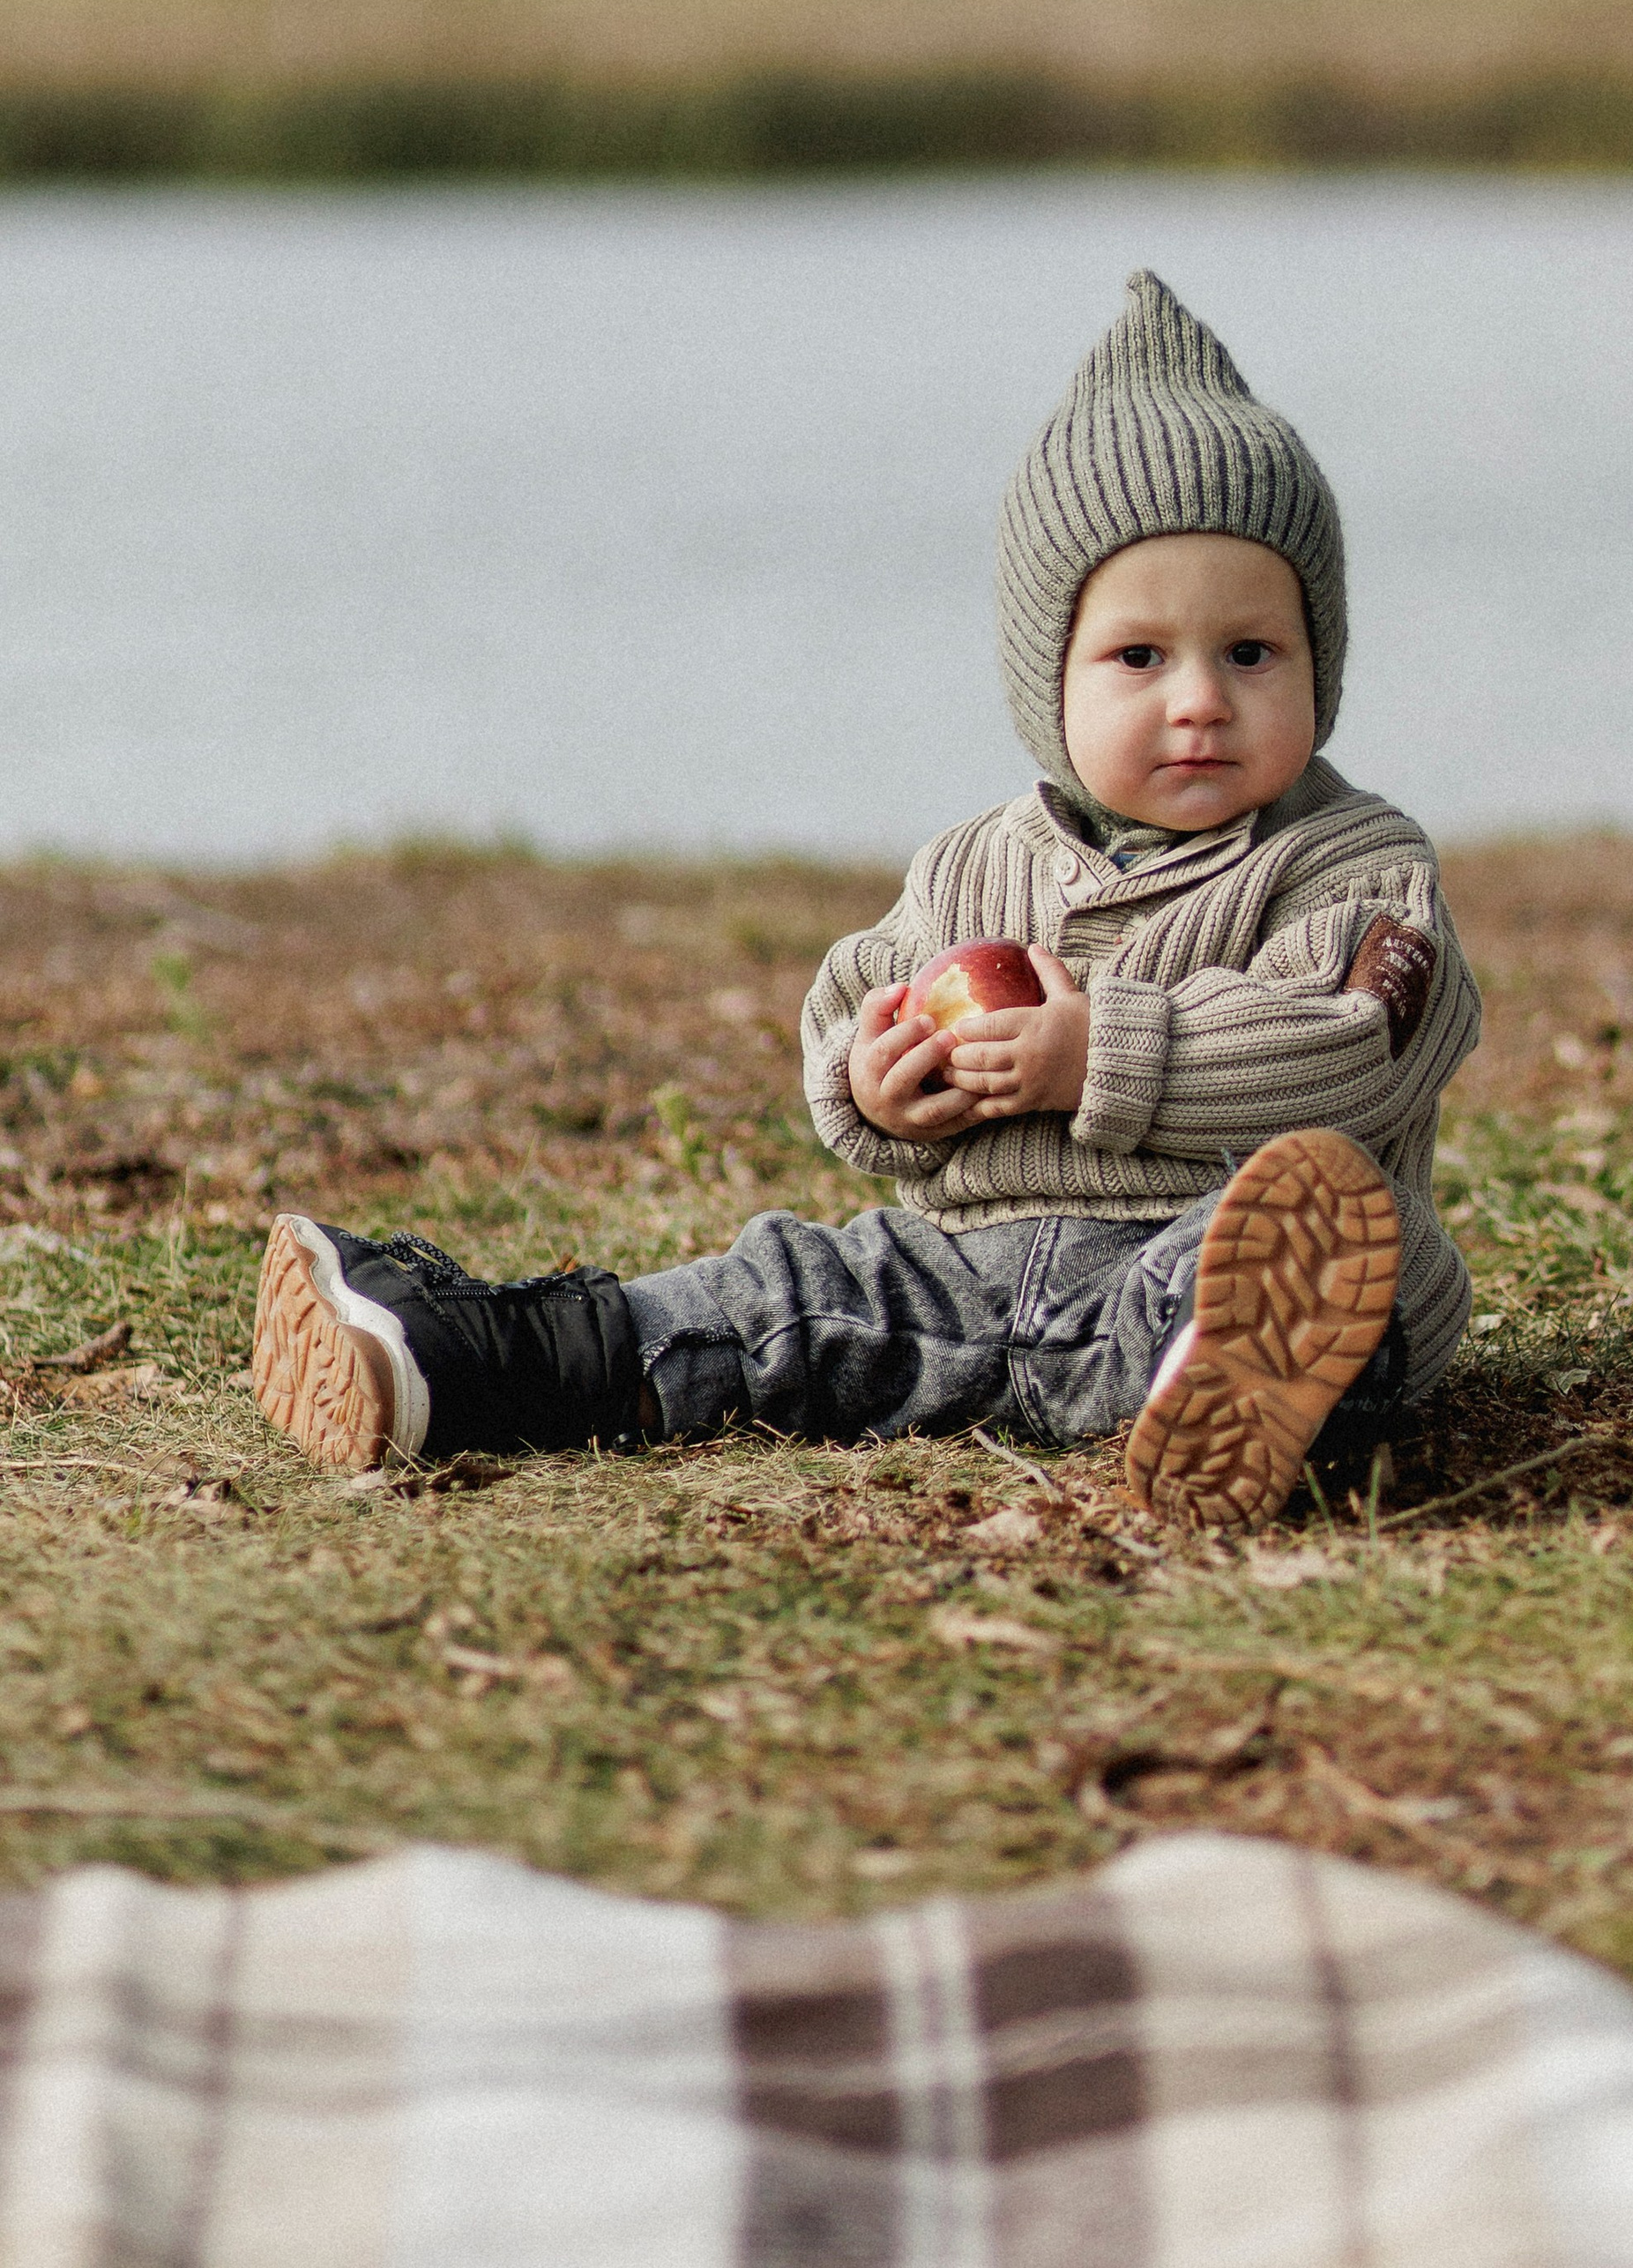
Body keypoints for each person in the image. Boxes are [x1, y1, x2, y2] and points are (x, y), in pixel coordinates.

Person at [250, 271, 1481, 1526]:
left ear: (1320, 666)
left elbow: (1355, 1045)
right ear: (1046, 679)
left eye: (1252, 654)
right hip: (973, 1274)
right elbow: (852, 1008)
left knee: (1318, 1226)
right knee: (783, 1287)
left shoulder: (1352, 862)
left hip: (1190, 1252)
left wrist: (1092, 1051)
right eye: (1139, 657)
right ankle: (459, 1362)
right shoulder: (968, 868)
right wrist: (876, 1084)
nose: (1201, 698)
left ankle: (1224, 1378)